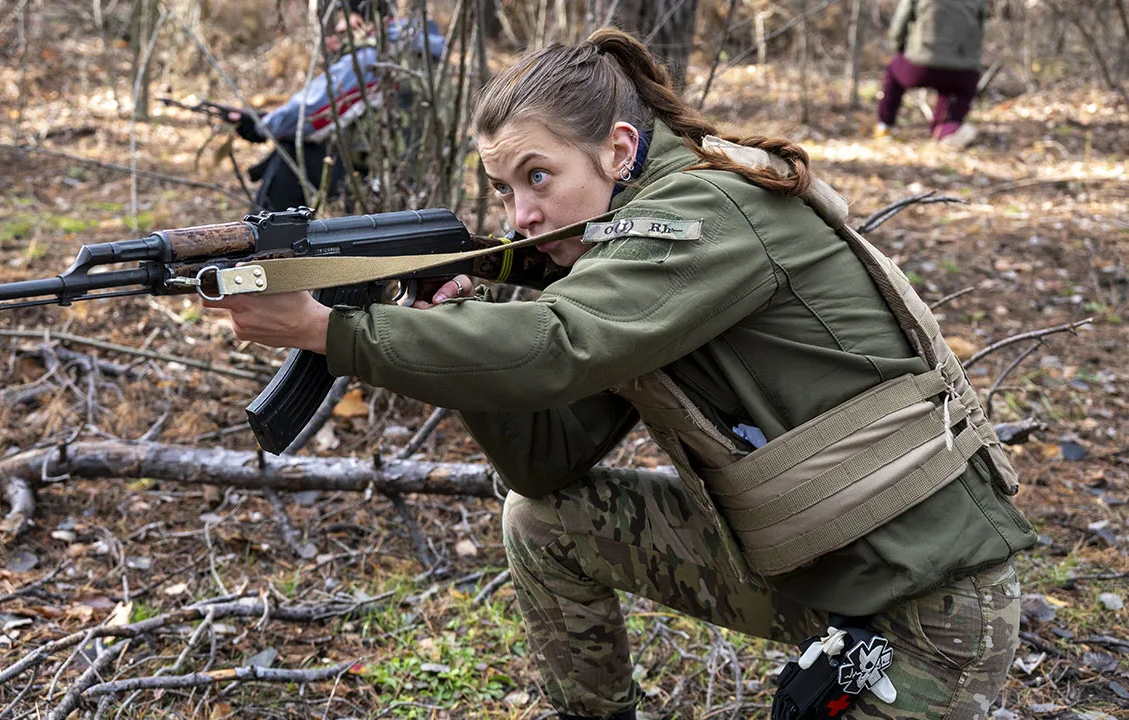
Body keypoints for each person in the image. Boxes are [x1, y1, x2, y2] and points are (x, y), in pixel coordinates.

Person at [205, 27, 1034, 720]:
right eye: (504, 189)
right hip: (819, 575)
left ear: (620, 149)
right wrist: (454, 320)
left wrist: (329, 331)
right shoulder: (624, 246)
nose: (520, 215)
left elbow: (558, 343)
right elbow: (547, 462)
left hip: (931, 615)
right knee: (542, 519)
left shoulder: (711, 213)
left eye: (538, 177)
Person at [228, 0, 445, 211]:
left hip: (383, 188)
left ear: (369, 16)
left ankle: (262, 237)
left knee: (294, 152)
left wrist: (260, 126)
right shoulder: (420, 48)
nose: (340, 28)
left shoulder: (372, 57)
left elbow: (311, 114)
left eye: (346, 19)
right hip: (426, 183)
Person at [876, 0, 988, 147]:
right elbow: (980, 32)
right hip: (963, 70)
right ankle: (948, 130)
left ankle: (886, 125)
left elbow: (900, 24)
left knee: (894, 71)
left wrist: (899, 47)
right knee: (955, 89)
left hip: (921, 64)